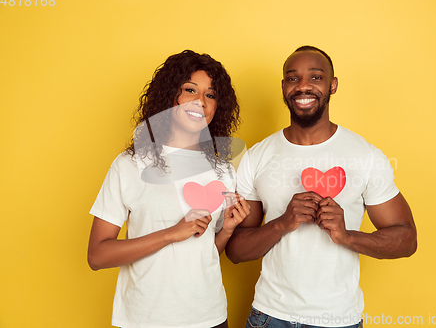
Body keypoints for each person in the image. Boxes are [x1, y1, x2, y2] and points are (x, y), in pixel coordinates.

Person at [225, 46, 417, 328]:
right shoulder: (257, 156)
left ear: (333, 85)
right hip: (270, 316)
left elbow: (407, 239)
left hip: (339, 319)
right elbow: (235, 251)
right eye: (293, 78)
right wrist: (282, 223)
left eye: (315, 77)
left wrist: (348, 236)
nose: (303, 85)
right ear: (283, 87)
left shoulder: (365, 156)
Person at [87, 50, 250, 328]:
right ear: (168, 97)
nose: (200, 101)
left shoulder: (223, 171)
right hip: (146, 319)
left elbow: (205, 251)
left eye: (210, 95)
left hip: (210, 317)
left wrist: (227, 230)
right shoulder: (132, 164)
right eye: (190, 90)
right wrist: (172, 233)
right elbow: (98, 255)